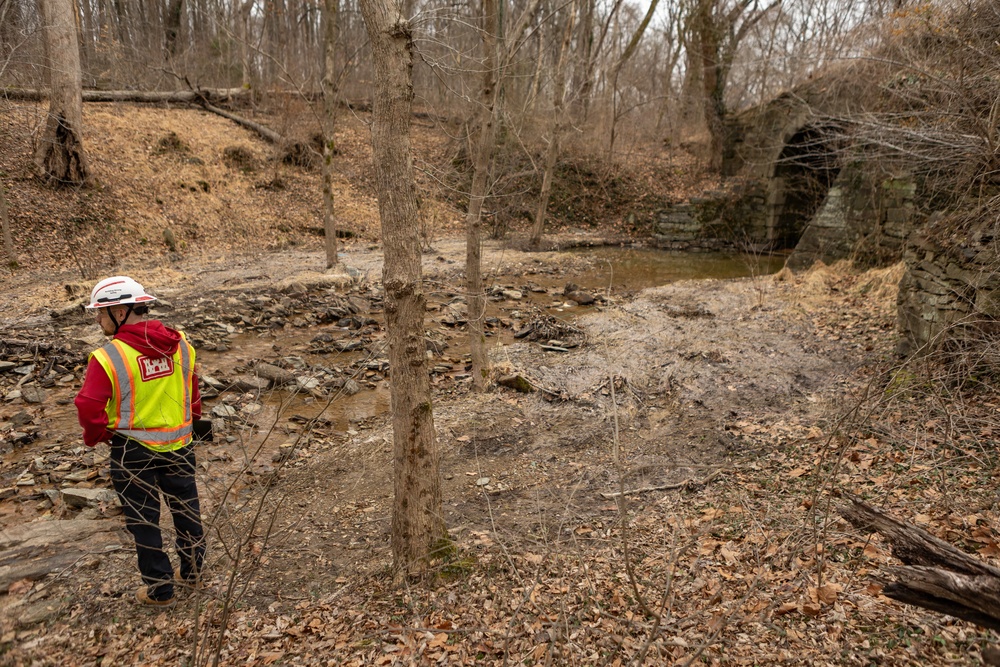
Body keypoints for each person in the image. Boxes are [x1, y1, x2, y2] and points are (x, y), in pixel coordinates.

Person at [75, 276, 205, 607]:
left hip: (132, 452)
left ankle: (160, 591)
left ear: (119, 311)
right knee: (186, 509)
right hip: (180, 445)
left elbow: (88, 406)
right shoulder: (181, 344)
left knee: (144, 522)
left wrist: (100, 435)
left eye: (100, 313)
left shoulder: (108, 357)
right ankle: (192, 572)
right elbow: (193, 394)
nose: (97, 320)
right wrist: (190, 422)